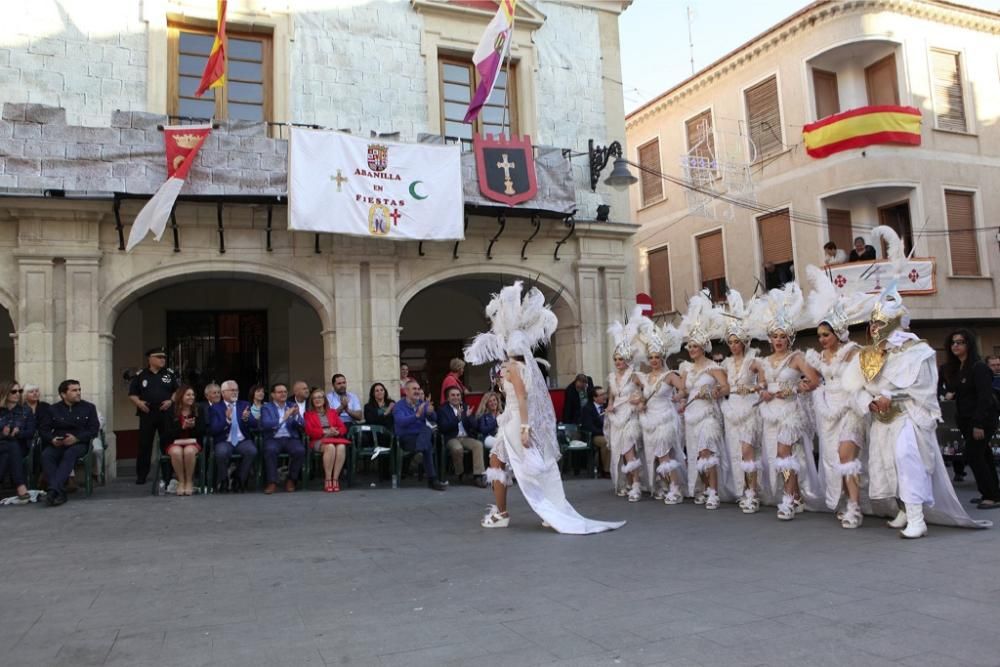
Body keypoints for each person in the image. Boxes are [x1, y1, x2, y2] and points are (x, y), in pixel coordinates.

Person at [843, 226, 991, 536]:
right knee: (888, 465)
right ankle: (901, 510)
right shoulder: (869, 355)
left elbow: (922, 386)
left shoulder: (918, 351)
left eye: (881, 322)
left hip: (907, 416)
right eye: (873, 323)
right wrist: (869, 401)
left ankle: (918, 519)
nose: (875, 329)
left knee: (906, 460)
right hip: (881, 419)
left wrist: (890, 396)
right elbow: (855, 387)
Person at [467, 281, 624, 533]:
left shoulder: (512, 368)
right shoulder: (523, 367)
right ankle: (507, 511)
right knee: (504, 462)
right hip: (513, 421)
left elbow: (521, 398)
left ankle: (512, 512)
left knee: (518, 467)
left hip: (516, 423)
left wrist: (526, 427)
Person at [804, 265, 876, 528]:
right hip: (828, 411)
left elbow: (869, 377)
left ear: (838, 333)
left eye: (827, 334)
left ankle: (855, 507)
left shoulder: (854, 351)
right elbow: (810, 381)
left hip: (851, 409)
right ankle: (849, 502)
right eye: (820, 335)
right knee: (837, 461)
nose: (822, 339)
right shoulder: (819, 357)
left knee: (847, 457)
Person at [747, 282, 822, 520]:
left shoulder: (796, 358)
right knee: (780, 457)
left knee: (783, 454)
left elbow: (813, 381)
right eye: (774, 336)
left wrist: (788, 390)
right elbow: (761, 385)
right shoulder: (764, 362)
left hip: (791, 412)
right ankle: (797, 496)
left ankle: (787, 501)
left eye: (782, 336)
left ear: (789, 338)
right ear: (769, 338)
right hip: (770, 413)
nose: (778, 340)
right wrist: (762, 391)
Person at [678, 293, 731, 510]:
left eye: (695, 346)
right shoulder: (686, 369)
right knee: (697, 453)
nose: (692, 350)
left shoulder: (714, 367)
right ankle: (703, 487)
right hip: (691, 414)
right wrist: (679, 398)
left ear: (703, 347)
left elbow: (726, 387)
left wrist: (711, 393)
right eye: (689, 346)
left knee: (707, 451)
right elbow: (683, 390)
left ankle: (714, 491)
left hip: (708, 413)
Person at [940, 329, 1000, 510]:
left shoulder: (978, 367)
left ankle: (991, 495)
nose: (955, 346)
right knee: (984, 455)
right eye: (953, 343)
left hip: (980, 420)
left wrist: (978, 424)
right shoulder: (958, 367)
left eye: (960, 342)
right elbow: (952, 390)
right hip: (965, 419)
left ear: (969, 345)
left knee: (973, 455)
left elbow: (985, 397)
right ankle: (992, 493)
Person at [717, 290, 765, 513]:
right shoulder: (726, 363)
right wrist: (717, 391)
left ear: (744, 342)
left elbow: (764, 383)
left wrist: (753, 387)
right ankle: (743, 490)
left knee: (748, 451)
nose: (734, 345)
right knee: (736, 451)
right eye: (731, 342)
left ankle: (752, 493)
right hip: (732, 408)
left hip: (749, 407)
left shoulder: (753, 361)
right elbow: (726, 387)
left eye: (737, 341)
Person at [633, 319, 687, 504]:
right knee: (657, 454)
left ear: (662, 357)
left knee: (664, 453)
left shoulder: (670, 375)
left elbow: (683, 389)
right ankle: (665, 485)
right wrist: (640, 403)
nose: (654, 360)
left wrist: (678, 397)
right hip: (649, 419)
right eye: (651, 357)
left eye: (657, 357)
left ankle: (675, 488)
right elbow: (640, 395)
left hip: (666, 418)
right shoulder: (646, 377)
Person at [39, 379, 99, 507]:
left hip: (80, 443)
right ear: (63, 394)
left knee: (70, 453)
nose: (78, 393)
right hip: (59, 443)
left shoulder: (89, 407)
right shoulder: (53, 409)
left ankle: (53, 490)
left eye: (79, 390)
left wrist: (76, 438)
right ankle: (59, 492)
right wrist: (52, 439)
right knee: (46, 455)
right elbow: (43, 429)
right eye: (74, 390)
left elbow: (94, 430)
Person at [607, 308, 645, 501]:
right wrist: (610, 406)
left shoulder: (635, 375)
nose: (618, 362)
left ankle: (637, 484)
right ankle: (628, 482)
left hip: (630, 416)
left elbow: (646, 392)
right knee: (620, 451)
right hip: (616, 418)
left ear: (628, 359)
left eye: (621, 359)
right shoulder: (612, 377)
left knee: (629, 450)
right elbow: (612, 396)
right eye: (616, 359)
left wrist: (637, 399)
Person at [127, 347, 178, 485]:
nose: (163, 360)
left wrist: (171, 401)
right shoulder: (141, 375)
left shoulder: (169, 374)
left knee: (167, 444)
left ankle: (168, 475)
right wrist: (138, 403)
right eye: (159, 357)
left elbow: (177, 391)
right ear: (150, 359)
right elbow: (132, 394)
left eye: (164, 358)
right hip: (147, 413)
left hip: (165, 412)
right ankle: (141, 475)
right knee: (144, 445)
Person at [394, 380, 446, 491]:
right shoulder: (399, 406)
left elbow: (435, 419)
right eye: (414, 389)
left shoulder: (422, 403)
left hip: (421, 437)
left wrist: (430, 413)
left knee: (427, 431)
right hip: (406, 438)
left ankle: (419, 451)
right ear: (406, 391)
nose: (417, 391)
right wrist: (417, 415)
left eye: (418, 389)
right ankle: (433, 480)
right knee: (427, 439)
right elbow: (401, 422)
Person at [208, 380, 258, 493]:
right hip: (224, 441)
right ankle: (224, 480)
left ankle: (239, 479)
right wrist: (227, 420)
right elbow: (214, 429)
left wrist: (246, 418)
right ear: (223, 393)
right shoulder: (215, 408)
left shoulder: (244, 405)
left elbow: (254, 424)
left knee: (252, 450)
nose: (235, 392)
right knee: (221, 453)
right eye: (232, 390)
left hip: (242, 440)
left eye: (236, 390)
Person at [260, 383, 306, 494]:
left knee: (300, 450)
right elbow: (266, 424)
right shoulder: (267, 407)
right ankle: (272, 482)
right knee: (270, 450)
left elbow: (302, 424)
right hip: (273, 438)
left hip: (290, 438)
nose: (283, 394)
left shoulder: (292, 405)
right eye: (280, 392)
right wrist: (284, 417)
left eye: (285, 392)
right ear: (273, 395)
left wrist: (296, 415)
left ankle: (291, 480)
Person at [437, 386, 487, 487]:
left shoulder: (464, 406)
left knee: (478, 444)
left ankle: (478, 475)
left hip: (465, 437)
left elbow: (475, 426)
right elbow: (443, 427)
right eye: (453, 395)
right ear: (448, 398)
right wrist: (458, 418)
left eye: (458, 395)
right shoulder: (443, 409)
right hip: (451, 438)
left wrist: (469, 417)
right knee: (457, 449)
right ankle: (460, 473)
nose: (456, 397)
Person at [304, 388, 350, 492]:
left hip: (334, 438)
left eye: (320, 397)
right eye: (314, 398)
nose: (317, 400)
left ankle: (335, 479)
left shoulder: (332, 412)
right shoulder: (308, 415)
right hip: (318, 440)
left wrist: (337, 432)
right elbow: (309, 431)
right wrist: (325, 432)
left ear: (324, 400)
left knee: (341, 447)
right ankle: (328, 479)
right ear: (312, 401)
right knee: (330, 447)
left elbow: (343, 427)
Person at [164, 385, 205, 496]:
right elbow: (167, 433)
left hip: (193, 442)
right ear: (181, 396)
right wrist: (182, 427)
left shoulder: (198, 409)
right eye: (188, 395)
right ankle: (181, 481)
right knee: (176, 452)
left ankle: (189, 481)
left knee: (189, 451)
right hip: (175, 442)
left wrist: (193, 427)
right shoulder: (171, 411)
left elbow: (202, 431)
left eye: (192, 395)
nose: (191, 397)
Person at [0, 382, 34, 504]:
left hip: (20, 445)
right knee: (8, 447)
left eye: (19, 391)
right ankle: (20, 486)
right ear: (5, 393)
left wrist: (18, 433)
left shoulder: (26, 410)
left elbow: (31, 432)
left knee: (10, 447)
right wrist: (3, 434)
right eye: (13, 392)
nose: (17, 394)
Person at [581, 387, 610, 478]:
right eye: (601, 395)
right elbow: (589, 426)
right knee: (606, 442)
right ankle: (606, 470)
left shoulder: (608, 406)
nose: (605, 396)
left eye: (605, 394)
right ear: (595, 398)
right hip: (596, 435)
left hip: (610, 432)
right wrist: (604, 432)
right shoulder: (588, 408)